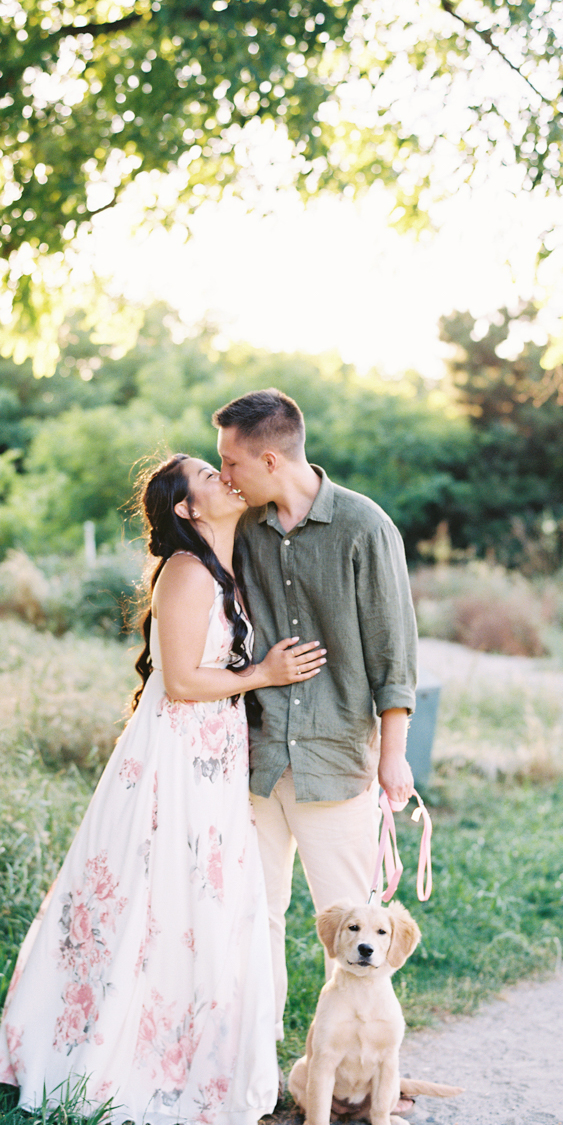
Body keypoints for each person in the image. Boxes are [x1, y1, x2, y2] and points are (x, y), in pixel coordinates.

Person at [0, 453, 326, 1125]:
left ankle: (195, 1060)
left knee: (200, 904)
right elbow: (178, 680)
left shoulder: (225, 569)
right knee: (156, 898)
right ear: (187, 510)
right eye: (209, 476)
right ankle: (117, 1056)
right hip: (175, 757)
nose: (224, 478)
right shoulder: (186, 571)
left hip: (211, 755)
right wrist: (262, 672)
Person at [213, 389, 418, 1046]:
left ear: (269, 460)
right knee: (256, 917)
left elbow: (394, 650)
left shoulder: (366, 528)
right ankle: (259, 1066)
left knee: (357, 936)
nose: (225, 477)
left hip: (336, 762)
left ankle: (359, 1069)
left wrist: (393, 754)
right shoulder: (244, 529)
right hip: (261, 756)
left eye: (232, 464)